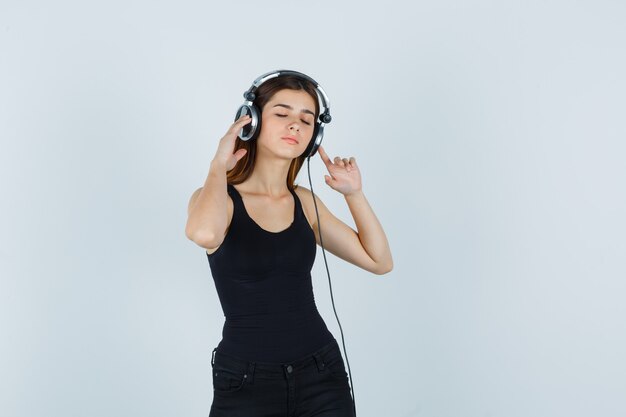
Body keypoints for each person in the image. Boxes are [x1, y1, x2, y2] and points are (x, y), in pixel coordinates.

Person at [185, 71, 393, 417]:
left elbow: (379, 261)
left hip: (321, 374)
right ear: (250, 122)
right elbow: (204, 234)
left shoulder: (304, 202)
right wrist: (218, 166)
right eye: (282, 114)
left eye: (306, 120)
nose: (295, 125)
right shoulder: (217, 198)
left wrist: (353, 194)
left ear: (315, 135)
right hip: (245, 382)